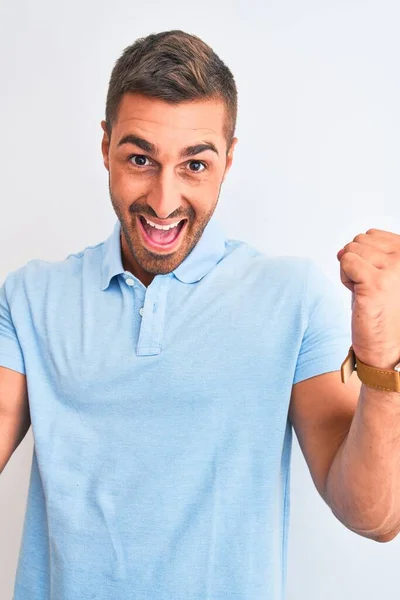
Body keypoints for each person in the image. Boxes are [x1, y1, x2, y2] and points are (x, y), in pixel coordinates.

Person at [1, 29, 400, 600]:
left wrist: (383, 366)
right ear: (104, 144)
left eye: (194, 165)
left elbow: (375, 518)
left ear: (229, 159)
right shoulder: (30, 298)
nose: (163, 203)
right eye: (140, 158)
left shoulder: (292, 297)